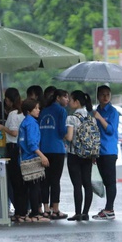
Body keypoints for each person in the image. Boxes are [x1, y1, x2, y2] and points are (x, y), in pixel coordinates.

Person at [0, 88, 27, 222]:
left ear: (9, 100)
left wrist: (3, 128)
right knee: (20, 181)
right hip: (21, 148)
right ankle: (22, 210)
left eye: (6, 99)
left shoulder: (13, 114)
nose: (5, 102)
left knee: (16, 181)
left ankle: (20, 212)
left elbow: (14, 133)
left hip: (13, 147)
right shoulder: (22, 112)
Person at [39, 88, 69, 219]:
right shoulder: (61, 111)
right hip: (57, 149)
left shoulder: (43, 110)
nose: (67, 100)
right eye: (65, 97)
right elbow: (63, 131)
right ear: (58, 98)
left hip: (43, 149)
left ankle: (45, 208)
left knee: (44, 180)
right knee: (55, 180)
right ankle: (55, 208)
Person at [64, 90, 95, 221]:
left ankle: (77, 213)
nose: (69, 102)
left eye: (71, 100)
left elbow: (69, 137)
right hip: (88, 155)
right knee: (87, 183)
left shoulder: (71, 118)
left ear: (76, 102)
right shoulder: (91, 117)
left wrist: (63, 134)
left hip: (74, 154)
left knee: (77, 184)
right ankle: (86, 213)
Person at [18, 98, 50, 222]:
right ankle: (35, 214)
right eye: (35, 108)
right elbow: (32, 144)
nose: (38, 110)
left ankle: (23, 213)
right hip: (31, 157)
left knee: (28, 187)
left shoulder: (25, 122)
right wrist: (42, 156)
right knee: (35, 186)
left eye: (38, 108)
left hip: (24, 157)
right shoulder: (31, 123)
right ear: (28, 110)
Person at [92, 85, 119, 220]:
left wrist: (100, 118)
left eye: (107, 94)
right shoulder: (96, 111)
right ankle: (107, 207)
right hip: (98, 150)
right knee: (103, 180)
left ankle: (110, 209)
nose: (105, 97)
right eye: (102, 95)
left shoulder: (113, 112)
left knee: (110, 181)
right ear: (98, 97)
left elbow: (110, 130)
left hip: (109, 151)